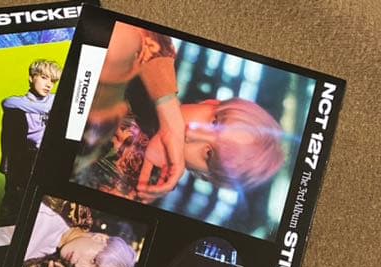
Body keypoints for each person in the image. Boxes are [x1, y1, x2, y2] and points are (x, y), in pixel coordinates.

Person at [71, 23, 284, 203]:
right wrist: (168, 110)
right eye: (214, 123)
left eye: (208, 154)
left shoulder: (141, 188)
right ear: (210, 102)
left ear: (203, 175)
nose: (192, 133)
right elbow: (125, 34)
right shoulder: (159, 57)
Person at [23, 199, 137, 267]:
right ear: (100, 238)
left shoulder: (42, 262)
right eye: (94, 261)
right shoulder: (52, 210)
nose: (77, 266)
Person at [0, 59, 62, 225]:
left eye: (53, 81)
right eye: (44, 78)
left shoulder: (55, 99)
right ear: (31, 78)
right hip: (27, 158)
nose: (48, 84)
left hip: (51, 156)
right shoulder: (17, 104)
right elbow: (6, 102)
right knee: (13, 115)